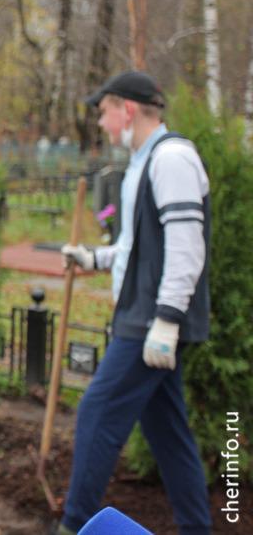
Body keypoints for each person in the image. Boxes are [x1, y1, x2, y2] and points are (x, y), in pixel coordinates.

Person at [57, 71, 211, 535]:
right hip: (141, 316)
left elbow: (188, 245)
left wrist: (166, 321)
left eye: (103, 112)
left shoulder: (173, 158)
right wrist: (93, 257)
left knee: (97, 411)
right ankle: (196, 528)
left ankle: (73, 525)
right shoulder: (142, 164)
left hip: (150, 323)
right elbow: (135, 248)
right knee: (168, 433)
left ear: (127, 109)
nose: (102, 124)